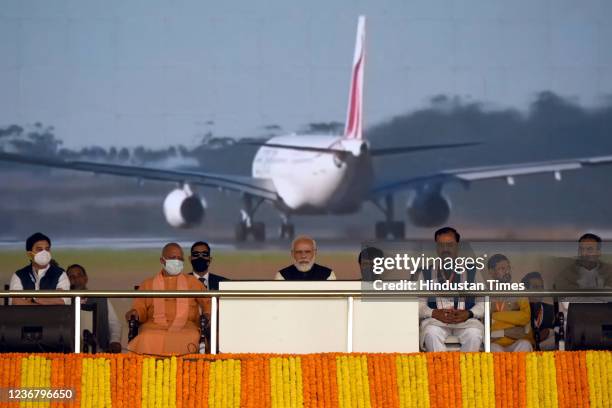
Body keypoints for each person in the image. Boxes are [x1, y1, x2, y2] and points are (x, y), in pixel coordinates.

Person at [125, 243, 211, 354]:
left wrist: (207, 313)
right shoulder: (148, 283)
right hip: (153, 327)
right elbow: (139, 307)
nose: (177, 261)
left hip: (186, 327)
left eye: (180, 258)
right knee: (145, 337)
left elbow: (208, 302)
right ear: (162, 260)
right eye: (173, 258)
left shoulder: (193, 282)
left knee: (193, 336)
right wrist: (134, 312)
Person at [419, 227, 483, 352]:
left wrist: (469, 313)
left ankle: (467, 370)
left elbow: (483, 301)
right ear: (436, 247)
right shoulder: (425, 271)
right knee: (431, 333)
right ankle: (442, 371)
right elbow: (418, 304)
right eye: (441, 245)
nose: (445, 249)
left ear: (457, 246)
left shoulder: (472, 271)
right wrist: (434, 313)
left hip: (466, 321)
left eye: (450, 245)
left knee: (474, 334)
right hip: (436, 321)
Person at [66, 264, 122, 353]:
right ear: (66, 281)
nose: (76, 279)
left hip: (100, 353)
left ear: (85, 278)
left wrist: (115, 341)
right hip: (70, 354)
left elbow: (114, 323)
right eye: (72, 277)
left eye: (79, 275)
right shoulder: (64, 302)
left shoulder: (101, 299)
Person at [9, 232, 70, 305]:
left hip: (54, 316)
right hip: (25, 316)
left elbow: (61, 301)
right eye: (39, 249)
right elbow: (16, 302)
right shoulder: (19, 275)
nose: (44, 252)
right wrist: (48, 300)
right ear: (29, 254)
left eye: (47, 249)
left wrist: (33, 299)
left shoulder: (60, 274)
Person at [487, 254, 532, 352]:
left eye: (508, 268)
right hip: (494, 344)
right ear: (491, 272)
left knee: (525, 345)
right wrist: (513, 314)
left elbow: (525, 317)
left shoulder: (519, 290)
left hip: (517, 341)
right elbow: (485, 324)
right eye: (502, 268)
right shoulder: (486, 293)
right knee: (492, 349)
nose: (507, 271)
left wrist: (495, 315)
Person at [521, 271, 556, 350]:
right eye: (536, 287)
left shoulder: (551, 310)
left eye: (542, 287)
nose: (540, 290)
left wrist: (549, 331)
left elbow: (560, 331)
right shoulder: (518, 311)